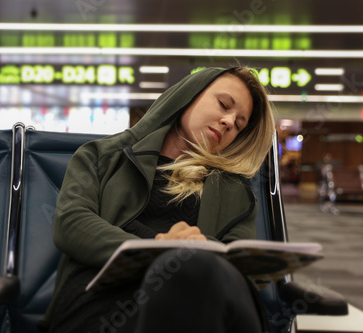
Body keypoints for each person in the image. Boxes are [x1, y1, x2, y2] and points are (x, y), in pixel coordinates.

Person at [38, 66, 276, 333]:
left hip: (197, 301)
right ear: (190, 94)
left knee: (198, 275)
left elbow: (239, 268)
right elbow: (71, 224)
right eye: (223, 104)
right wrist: (159, 248)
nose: (229, 122)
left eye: (239, 124)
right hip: (105, 297)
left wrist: (188, 253)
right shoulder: (100, 157)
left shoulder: (238, 195)